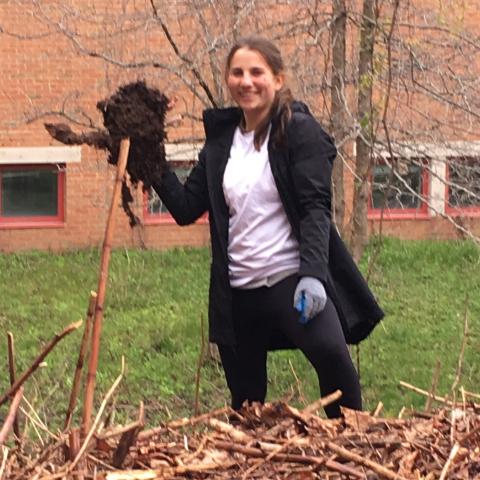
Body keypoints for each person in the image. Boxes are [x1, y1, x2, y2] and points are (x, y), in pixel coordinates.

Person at [152, 35, 384, 418]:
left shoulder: (298, 131)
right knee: (246, 402)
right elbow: (184, 207)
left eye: (257, 72)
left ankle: (356, 444)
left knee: (333, 359)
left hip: (290, 282)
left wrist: (312, 274)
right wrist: (148, 154)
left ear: (277, 79)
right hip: (238, 293)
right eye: (238, 72)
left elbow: (314, 209)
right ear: (228, 79)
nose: (247, 81)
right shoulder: (221, 143)